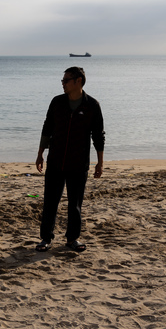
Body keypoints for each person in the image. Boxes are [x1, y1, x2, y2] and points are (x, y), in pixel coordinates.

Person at [35, 67, 105, 253]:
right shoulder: (57, 102)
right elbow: (47, 127)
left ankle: (72, 239)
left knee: (75, 204)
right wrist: (40, 153)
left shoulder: (92, 105)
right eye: (62, 80)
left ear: (78, 81)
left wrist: (100, 162)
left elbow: (98, 135)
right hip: (56, 161)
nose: (63, 83)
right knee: (50, 202)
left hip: (78, 163)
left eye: (66, 80)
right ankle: (45, 239)